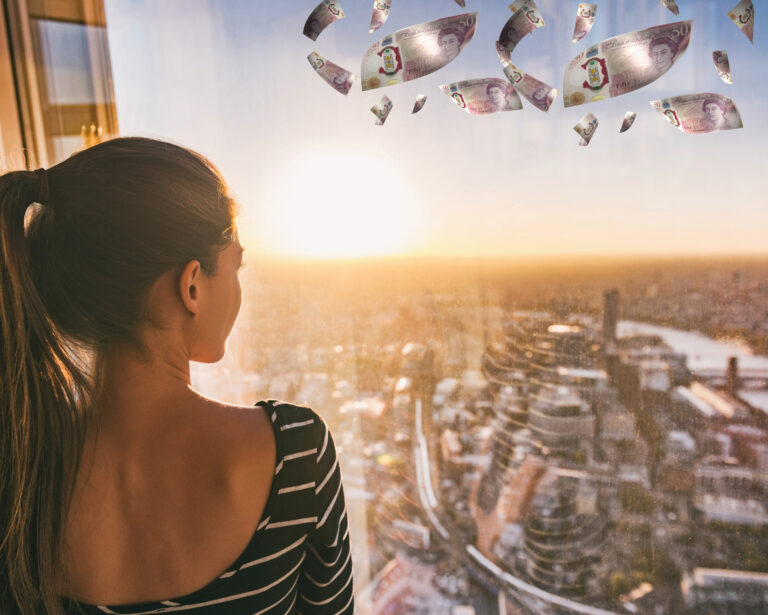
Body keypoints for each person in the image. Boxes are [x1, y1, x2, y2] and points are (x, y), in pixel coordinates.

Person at [0, 137, 354, 615]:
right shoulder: (293, 457)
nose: (238, 287)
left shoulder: (19, 475)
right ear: (191, 285)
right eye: (236, 265)